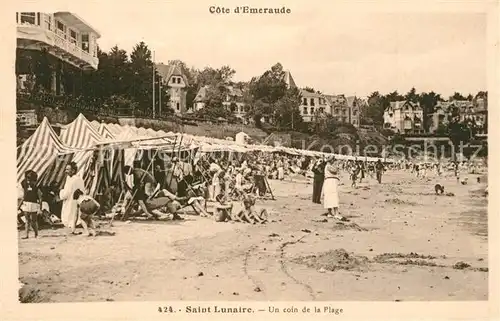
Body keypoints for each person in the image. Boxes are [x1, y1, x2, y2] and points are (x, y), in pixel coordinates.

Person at [59, 162, 85, 235]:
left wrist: (61, 192)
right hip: (77, 200)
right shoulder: (78, 179)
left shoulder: (72, 180)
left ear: (73, 171)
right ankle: (75, 228)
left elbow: (66, 193)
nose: (66, 171)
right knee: (75, 215)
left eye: (68, 169)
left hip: (71, 201)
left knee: (71, 215)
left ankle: (73, 229)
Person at [20, 170, 43, 239]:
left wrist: (40, 208)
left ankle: (36, 234)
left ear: (34, 180)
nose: (29, 181)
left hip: (33, 204)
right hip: (26, 203)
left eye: (31, 179)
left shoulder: (36, 188)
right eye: (28, 179)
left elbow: (40, 198)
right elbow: (23, 196)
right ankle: (26, 235)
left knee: (34, 221)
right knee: (27, 221)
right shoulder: (25, 185)